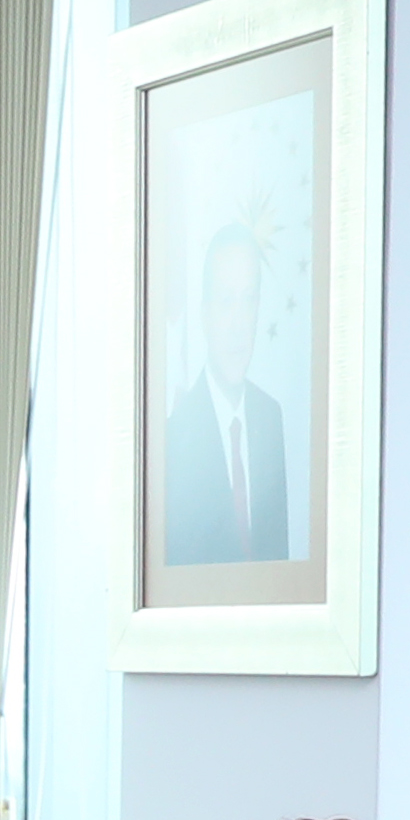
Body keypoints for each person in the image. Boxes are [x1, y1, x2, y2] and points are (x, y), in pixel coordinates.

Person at [163, 223, 298, 565]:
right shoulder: (174, 436)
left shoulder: (271, 418)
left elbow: (276, 568)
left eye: (248, 300)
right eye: (226, 302)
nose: (239, 323)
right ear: (205, 315)